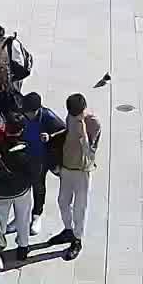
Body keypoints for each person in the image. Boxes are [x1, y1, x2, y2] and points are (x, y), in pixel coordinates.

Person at [50, 92, 102, 260]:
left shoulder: (92, 122)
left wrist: (82, 131)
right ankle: (68, 230)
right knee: (62, 201)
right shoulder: (71, 116)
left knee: (80, 206)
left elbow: (89, 149)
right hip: (66, 166)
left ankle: (77, 239)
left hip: (81, 170)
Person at [0, 111, 39, 260]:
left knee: (0, 222)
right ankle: (23, 248)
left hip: (1, 192)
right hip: (22, 191)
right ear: (21, 130)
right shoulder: (25, 147)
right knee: (23, 219)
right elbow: (33, 171)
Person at [20, 93, 66, 240]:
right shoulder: (22, 115)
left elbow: (64, 130)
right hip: (24, 156)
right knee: (23, 186)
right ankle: (21, 216)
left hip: (41, 158)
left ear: (37, 110)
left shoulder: (47, 116)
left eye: (30, 112)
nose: (27, 114)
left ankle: (36, 214)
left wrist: (50, 137)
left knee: (38, 187)